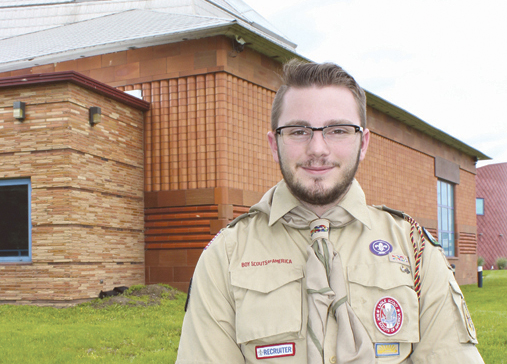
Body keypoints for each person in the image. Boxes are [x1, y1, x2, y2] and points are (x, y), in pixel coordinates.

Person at [176, 60, 484, 363]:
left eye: (337, 130)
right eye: (298, 131)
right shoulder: (226, 255)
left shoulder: (414, 248)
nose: (318, 148)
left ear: (363, 143)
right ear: (274, 144)